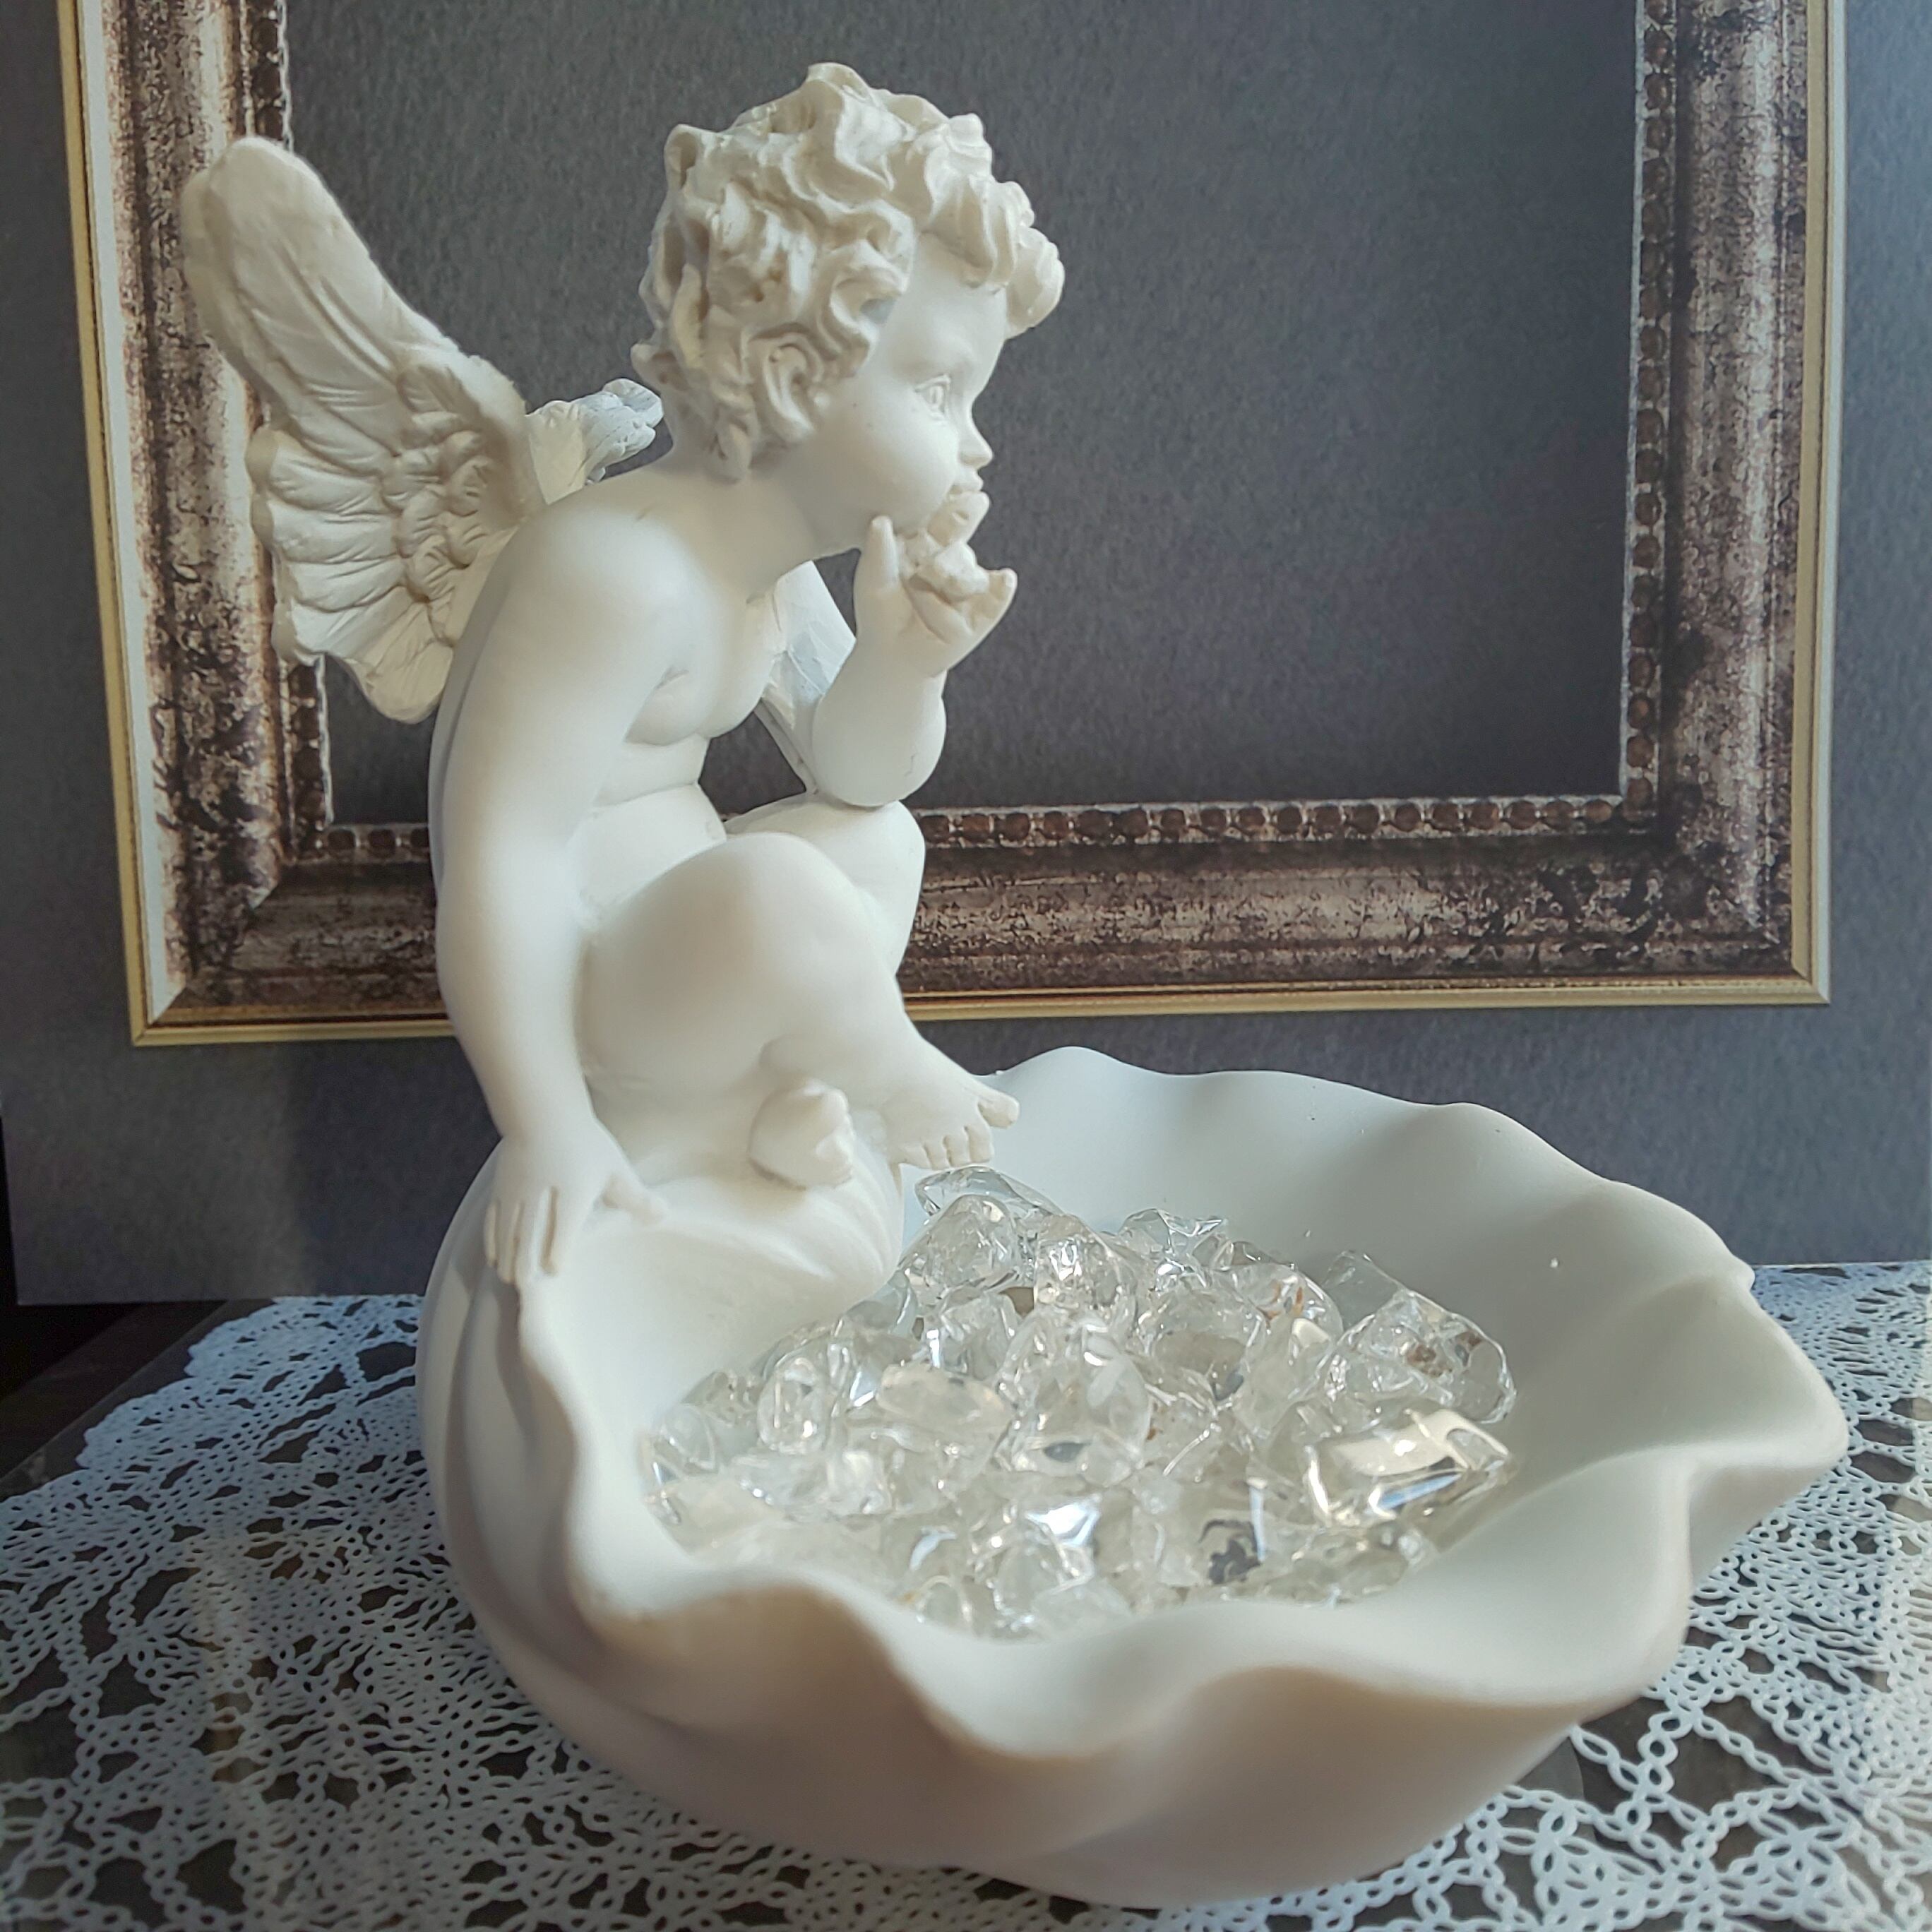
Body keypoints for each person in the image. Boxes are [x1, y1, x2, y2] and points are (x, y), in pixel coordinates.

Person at [426, 64, 1064, 1289]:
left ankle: (766, 1112)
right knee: (779, 886)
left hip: (698, 986)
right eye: (941, 389)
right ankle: (884, 1079)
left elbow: (857, 771)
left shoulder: (769, 574)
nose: (977, 444)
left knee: (874, 842)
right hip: (597, 1000)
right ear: (788, 364)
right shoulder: (615, 572)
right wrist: (543, 1120)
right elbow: (501, 860)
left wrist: (904, 663)